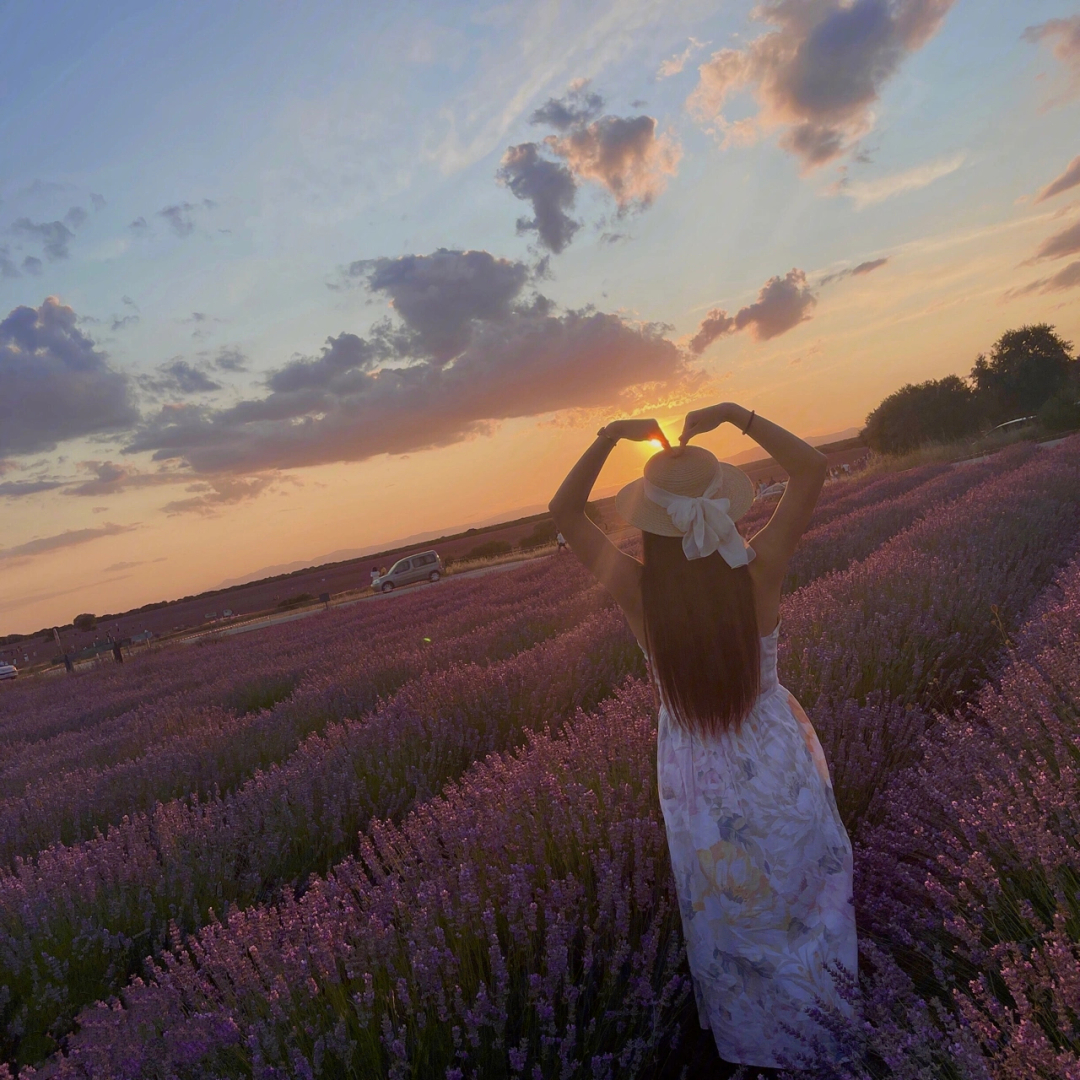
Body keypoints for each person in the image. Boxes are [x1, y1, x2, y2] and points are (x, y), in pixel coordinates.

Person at [549, 403, 856, 1071]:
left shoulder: (638, 590)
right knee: (810, 906)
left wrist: (609, 438)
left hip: (698, 777)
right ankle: (829, 1041)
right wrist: (737, 417)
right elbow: (810, 467)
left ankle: (759, 1049)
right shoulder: (757, 570)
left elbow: (566, 512)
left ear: (649, 522)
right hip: (775, 762)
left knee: (731, 922)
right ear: (720, 503)